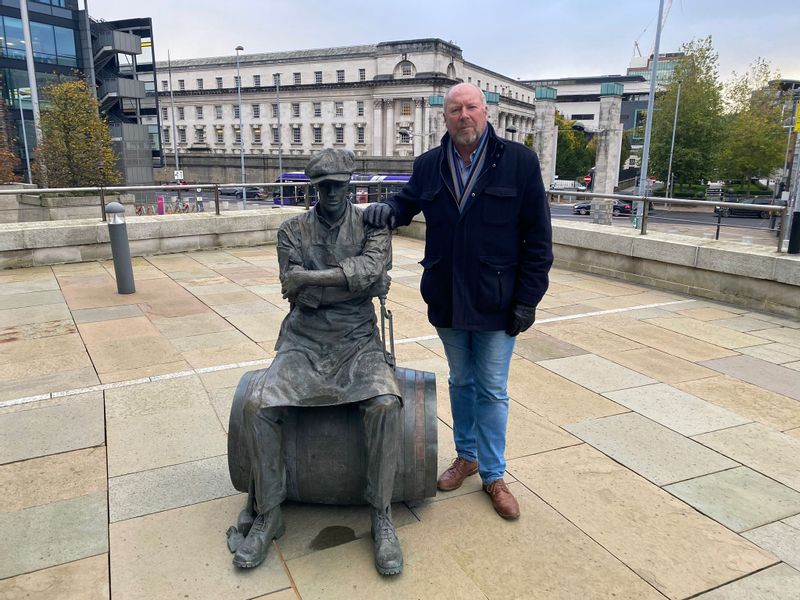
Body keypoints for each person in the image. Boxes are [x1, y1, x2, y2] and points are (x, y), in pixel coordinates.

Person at [364, 83, 553, 520]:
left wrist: (528, 298)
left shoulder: (519, 162)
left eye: (470, 107)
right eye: (454, 109)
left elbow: (538, 239)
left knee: (491, 388)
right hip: (448, 294)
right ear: (445, 117)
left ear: (486, 111)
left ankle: (494, 474)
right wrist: (386, 211)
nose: (463, 115)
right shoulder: (429, 164)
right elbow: (407, 202)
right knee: (460, 381)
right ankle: (465, 457)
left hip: (497, 299)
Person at [234, 148, 404, 575]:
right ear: (313, 187)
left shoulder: (371, 224)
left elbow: (373, 271)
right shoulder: (291, 230)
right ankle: (269, 513)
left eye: (339, 185)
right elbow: (299, 293)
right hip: (304, 338)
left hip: (357, 339)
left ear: (350, 185)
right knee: (260, 406)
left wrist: (313, 277)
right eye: (323, 185)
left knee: (385, 404)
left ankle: (381, 515)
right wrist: (353, 282)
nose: (331, 192)